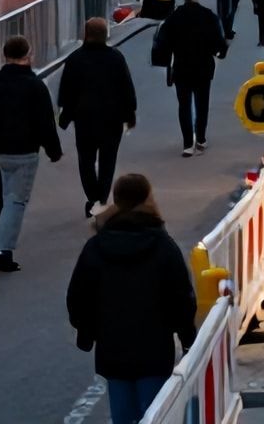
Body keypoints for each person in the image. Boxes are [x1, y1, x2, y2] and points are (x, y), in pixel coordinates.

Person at [67, 174, 196, 424]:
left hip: (112, 347)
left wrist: (87, 331)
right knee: (156, 412)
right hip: (155, 348)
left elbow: (78, 296)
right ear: (148, 199)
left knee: (123, 415)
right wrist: (187, 336)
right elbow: (181, 296)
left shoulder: (96, 246)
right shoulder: (162, 245)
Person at [0, 36, 62, 272]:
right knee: (15, 201)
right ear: (28, 54)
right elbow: (45, 122)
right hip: (25, 152)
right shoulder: (35, 85)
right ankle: (3, 253)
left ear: (5, 55)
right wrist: (53, 150)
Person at [57, 18, 137, 217]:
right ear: (105, 34)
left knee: (86, 159)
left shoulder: (75, 59)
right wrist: (130, 114)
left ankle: (92, 195)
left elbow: (67, 90)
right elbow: (126, 88)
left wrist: (66, 114)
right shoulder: (116, 58)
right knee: (108, 160)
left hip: (84, 119)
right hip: (112, 119)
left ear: (86, 34)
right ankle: (102, 197)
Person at [154, 0, 227, 157]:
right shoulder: (208, 16)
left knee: (184, 105)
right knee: (202, 103)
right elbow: (219, 41)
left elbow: (163, 42)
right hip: (203, 67)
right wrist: (219, 52)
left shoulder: (174, 18)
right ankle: (200, 139)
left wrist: (165, 60)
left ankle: (187, 144)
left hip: (181, 67)